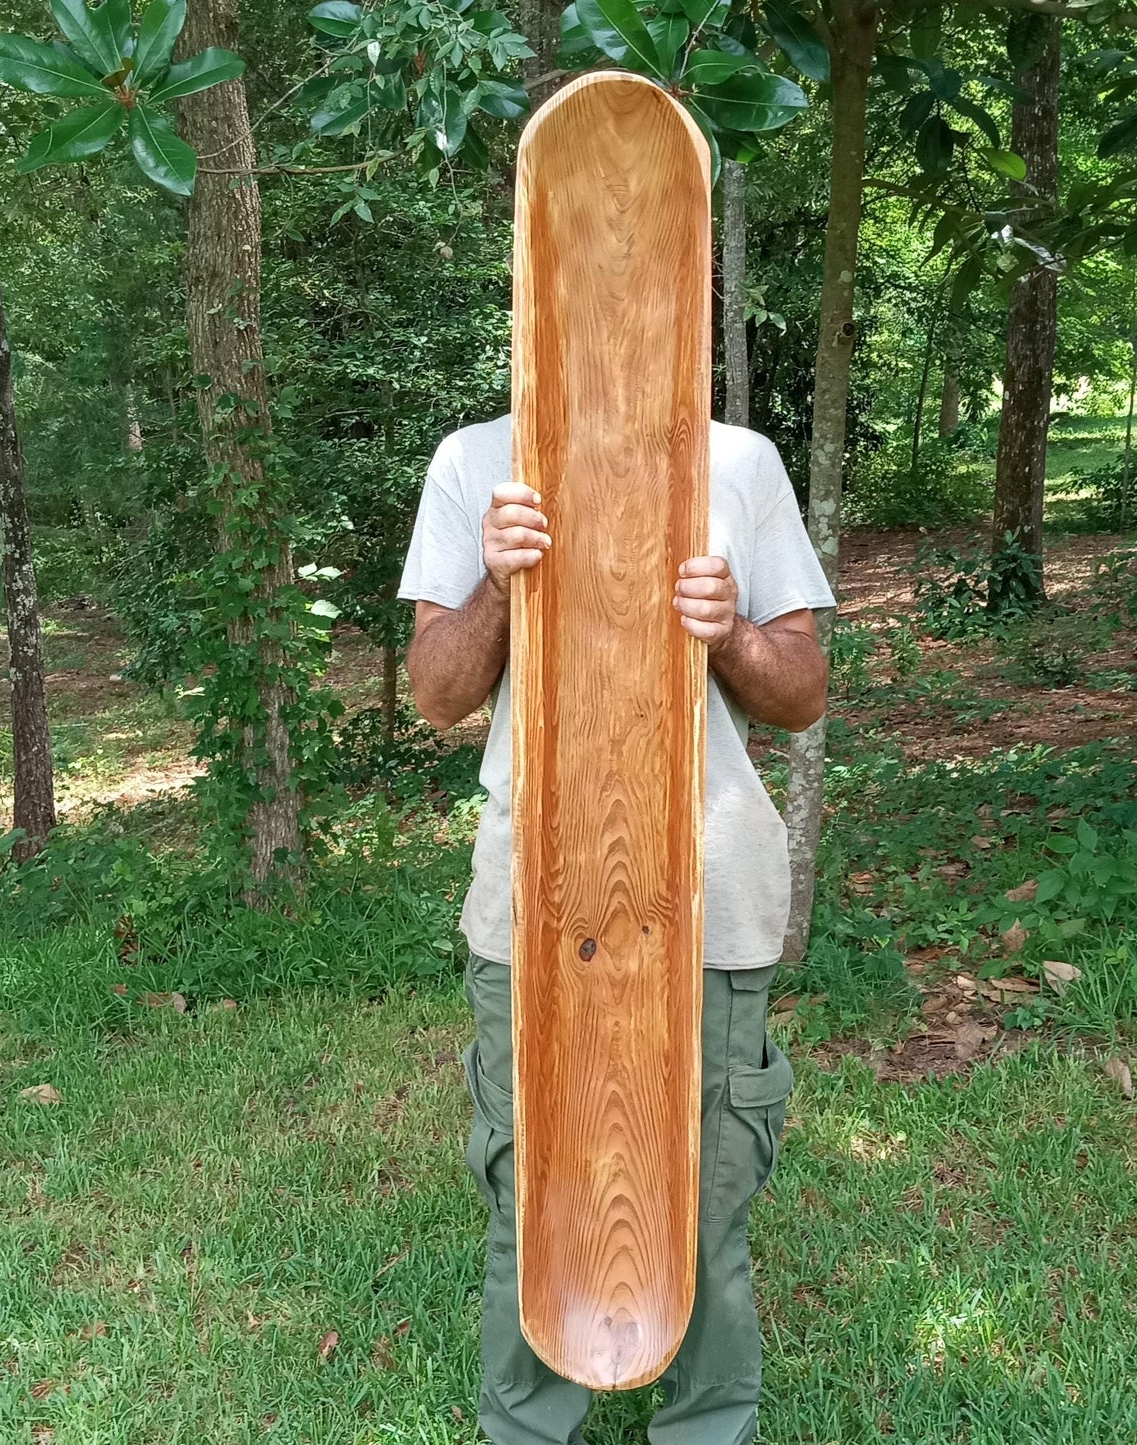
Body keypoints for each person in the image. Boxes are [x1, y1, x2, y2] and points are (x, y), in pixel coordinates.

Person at [399, 414, 834, 1444]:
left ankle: (706, 1428)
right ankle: (524, 1430)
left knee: (706, 1194)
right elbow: (434, 691)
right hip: (531, 901)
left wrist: (728, 628)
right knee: (534, 1193)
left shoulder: (739, 461)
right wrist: (498, 587)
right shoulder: (473, 461)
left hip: (708, 897)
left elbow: (803, 694)